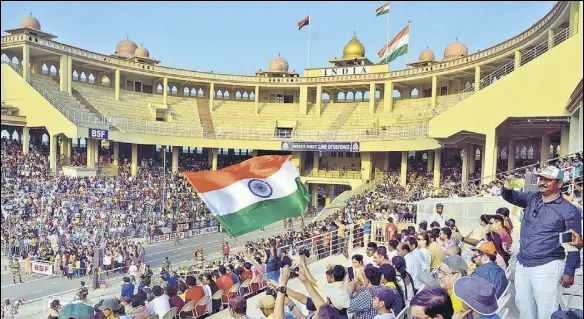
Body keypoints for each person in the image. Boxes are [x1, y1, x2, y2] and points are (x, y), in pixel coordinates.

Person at [501, 166, 582, 319]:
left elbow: (574, 244)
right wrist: (506, 188)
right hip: (523, 264)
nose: (542, 182)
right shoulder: (532, 197)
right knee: (524, 309)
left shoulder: (569, 210)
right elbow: (511, 197)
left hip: (548, 267)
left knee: (546, 312)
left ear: (559, 184)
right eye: (541, 178)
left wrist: (569, 271)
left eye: (548, 180)